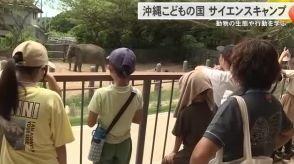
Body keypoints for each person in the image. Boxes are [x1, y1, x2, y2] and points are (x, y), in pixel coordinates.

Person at [190, 39, 294, 164]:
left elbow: (199, 156)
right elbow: (288, 133)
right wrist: (265, 148)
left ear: (239, 67)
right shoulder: (274, 103)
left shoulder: (235, 104)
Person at [0, 40, 74, 164]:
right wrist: (52, 80)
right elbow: (60, 144)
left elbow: (18, 140)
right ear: (43, 70)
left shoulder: (4, 92)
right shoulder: (50, 99)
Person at [87, 47, 143, 164]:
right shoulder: (136, 94)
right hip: (124, 144)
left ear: (110, 68)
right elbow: (138, 119)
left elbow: (90, 123)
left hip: (104, 144)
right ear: (132, 70)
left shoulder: (101, 93)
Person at [162, 69, 214, 164]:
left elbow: (179, 134)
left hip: (191, 154)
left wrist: (174, 151)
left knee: (166, 161)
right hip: (210, 154)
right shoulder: (214, 108)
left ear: (188, 89)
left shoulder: (186, 112)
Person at [194, 45, 237, 109]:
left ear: (222, 60)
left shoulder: (219, 76)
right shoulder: (243, 76)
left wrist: (214, 70)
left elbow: (198, 68)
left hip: (219, 113)